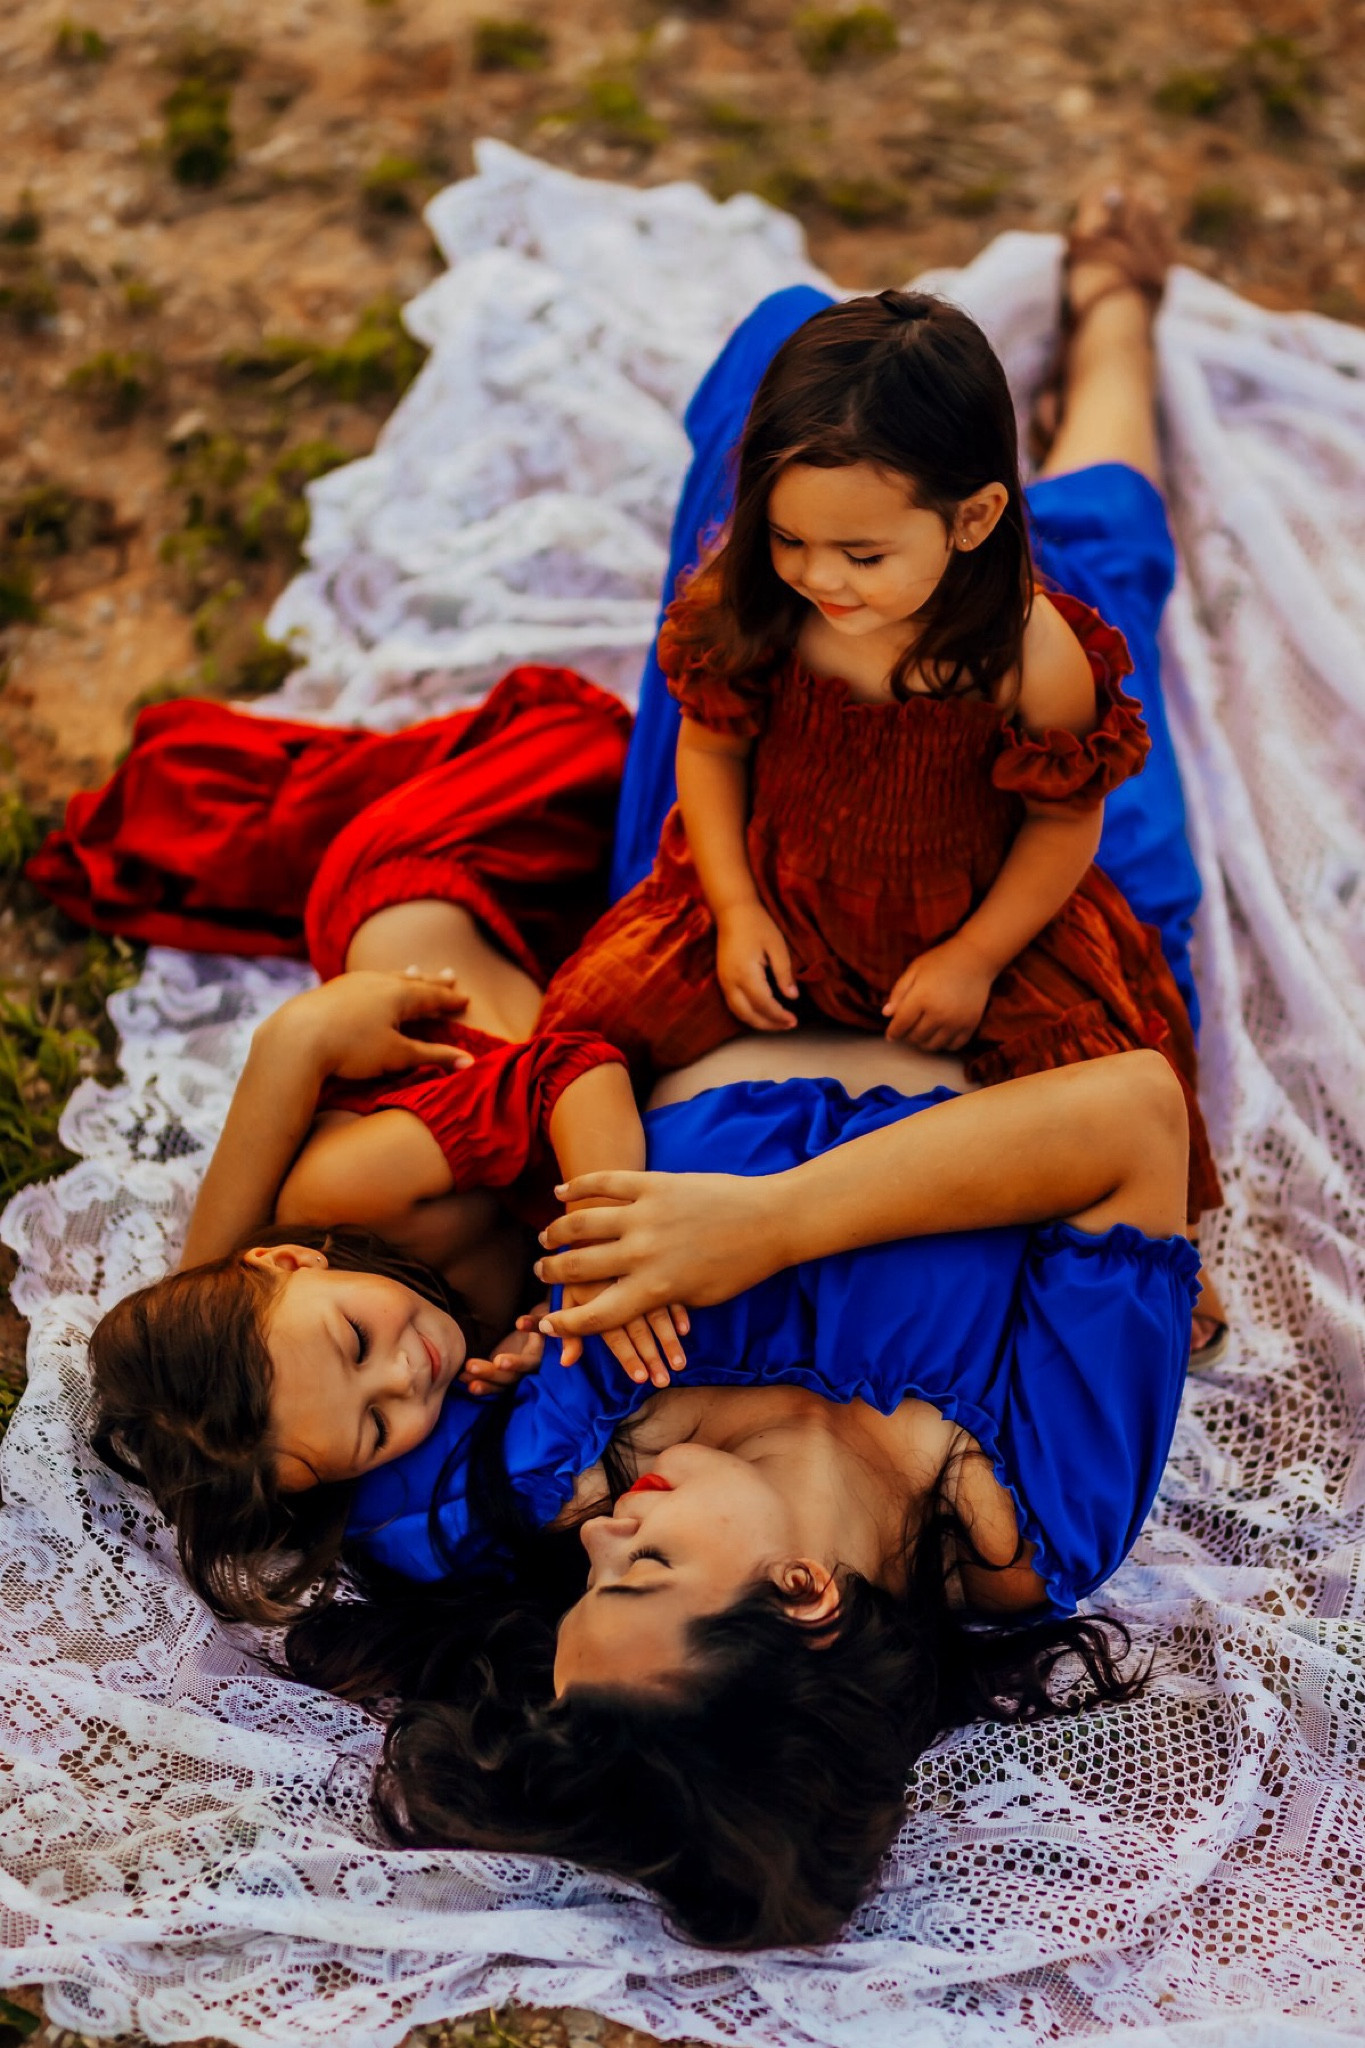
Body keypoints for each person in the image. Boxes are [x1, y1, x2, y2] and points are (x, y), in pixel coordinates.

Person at [535, 205, 1221, 1232]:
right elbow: (713, 744)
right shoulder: (763, 601)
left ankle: (1151, 1242)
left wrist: (976, 957)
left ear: (977, 518)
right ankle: (570, 1231)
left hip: (961, 912)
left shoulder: (1028, 654)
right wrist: (734, 908)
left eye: (860, 556)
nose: (820, 578)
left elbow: (1064, 822)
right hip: (780, 886)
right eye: (791, 539)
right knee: (578, 1025)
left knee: (1113, 1071)